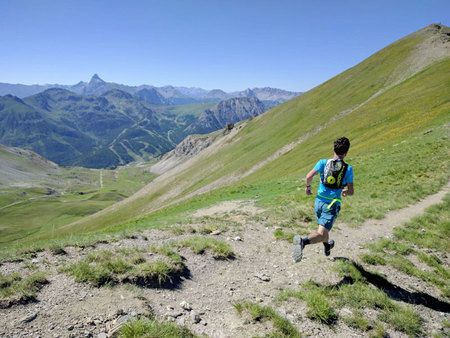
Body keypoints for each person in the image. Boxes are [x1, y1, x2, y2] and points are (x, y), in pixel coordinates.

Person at [293, 137, 354, 262]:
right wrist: (345, 191)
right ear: (346, 152)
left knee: (324, 230)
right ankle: (302, 242)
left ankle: (328, 245)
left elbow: (308, 176)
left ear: (333, 149)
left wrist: (308, 187)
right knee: (321, 233)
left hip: (318, 202)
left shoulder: (322, 162)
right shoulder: (348, 169)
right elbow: (351, 191)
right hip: (331, 205)